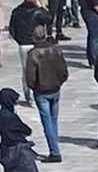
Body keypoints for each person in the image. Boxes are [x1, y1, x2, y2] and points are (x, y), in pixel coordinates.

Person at [24, 28, 68, 163]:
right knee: (53, 120)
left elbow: (30, 77)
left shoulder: (33, 54)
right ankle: (54, 145)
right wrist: (59, 82)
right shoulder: (56, 50)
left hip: (42, 91)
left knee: (47, 121)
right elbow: (64, 71)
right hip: (55, 89)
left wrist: (34, 87)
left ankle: (55, 152)